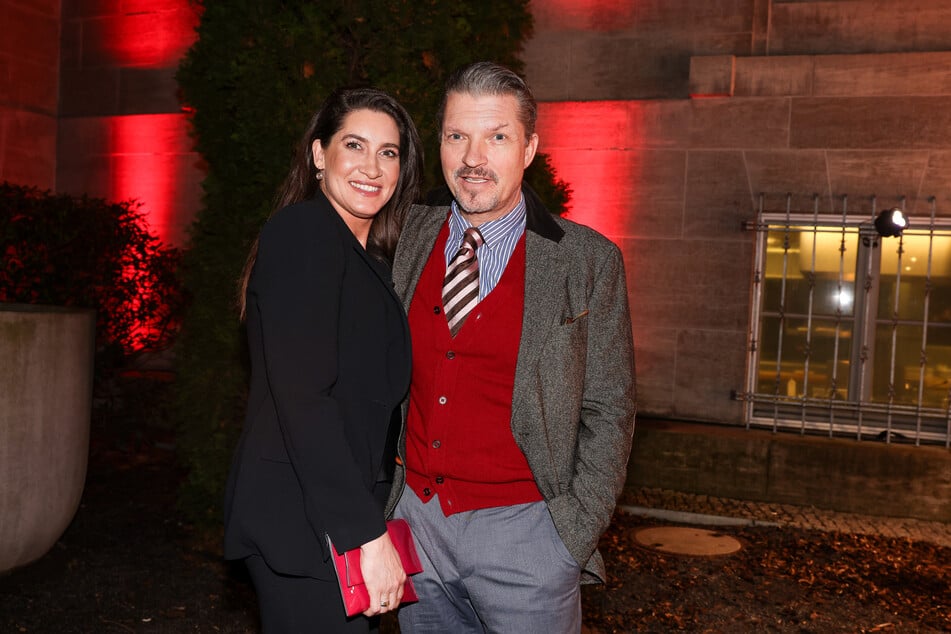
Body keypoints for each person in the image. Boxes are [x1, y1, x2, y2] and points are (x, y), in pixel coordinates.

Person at [385, 61, 637, 632]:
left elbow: (610, 407)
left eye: (496, 137)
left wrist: (570, 535)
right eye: (457, 137)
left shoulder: (586, 261)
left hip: (530, 541)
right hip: (416, 527)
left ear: (529, 149)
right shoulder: (407, 232)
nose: (473, 157)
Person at [223, 87, 423, 632]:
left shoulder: (372, 261)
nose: (372, 166)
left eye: (389, 152)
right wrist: (364, 534)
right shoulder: (305, 232)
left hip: (333, 511)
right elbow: (303, 398)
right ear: (318, 155)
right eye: (354, 145)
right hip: (306, 521)